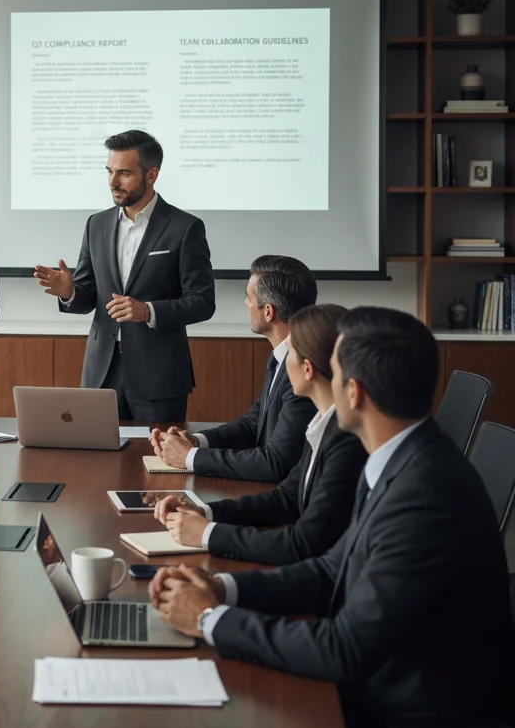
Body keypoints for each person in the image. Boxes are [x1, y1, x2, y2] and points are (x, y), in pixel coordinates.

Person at [148, 307, 514, 728]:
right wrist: (222, 589)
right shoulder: (401, 457)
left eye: (334, 371)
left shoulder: (423, 493)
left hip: (409, 720)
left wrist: (207, 620)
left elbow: (344, 649)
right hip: (384, 679)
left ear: (354, 393)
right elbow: (330, 569)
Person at [152, 304, 366, 565]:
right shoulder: (324, 422)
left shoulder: (346, 440)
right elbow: (286, 498)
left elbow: (304, 543)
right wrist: (203, 512)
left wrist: (207, 534)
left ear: (308, 369)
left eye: (290, 352)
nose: (283, 360)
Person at [34, 130, 215, 423]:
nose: (113, 182)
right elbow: (88, 296)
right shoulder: (96, 224)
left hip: (159, 377)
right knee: (96, 453)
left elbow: (203, 302)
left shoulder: (185, 228)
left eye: (124, 173)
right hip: (101, 373)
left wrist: (148, 311)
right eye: (109, 172)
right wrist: (69, 292)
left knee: (157, 453)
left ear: (151, 175)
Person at [151, 254, 316, 481]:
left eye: (248, 297)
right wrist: (197, 442)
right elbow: (253, 423)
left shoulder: (303, 369)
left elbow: (275, 463)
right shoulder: (282, 356)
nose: (246, 303)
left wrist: (189, 457)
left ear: (268, 312)